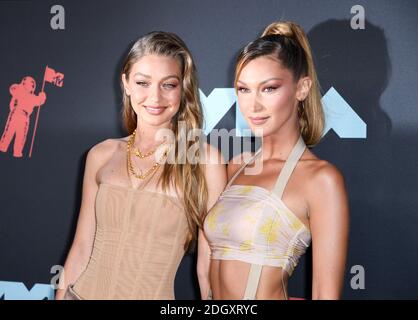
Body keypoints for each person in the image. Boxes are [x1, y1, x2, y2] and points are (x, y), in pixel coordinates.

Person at [55, 31, 226, 300]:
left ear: (184, 87)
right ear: (126, 84)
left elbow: (209, 266)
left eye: (168, 84)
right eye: (143, 82)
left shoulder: (205, 162)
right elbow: (81, 247)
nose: (154, 97)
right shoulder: (101, 154)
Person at [199, 21, 349, 300]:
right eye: (243, 90)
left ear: (301, 88)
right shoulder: (236, 166)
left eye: (268, 89)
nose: (252, 106)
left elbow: (325, 293)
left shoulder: (320, 180)